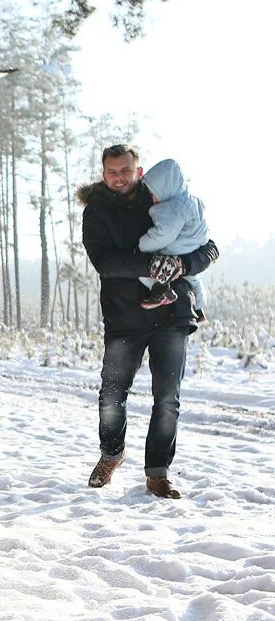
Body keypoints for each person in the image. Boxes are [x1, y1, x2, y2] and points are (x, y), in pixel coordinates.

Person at [78, 145, 219, 500]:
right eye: (113, 172)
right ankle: (111, 453)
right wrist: (151, 267)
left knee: (167, 398)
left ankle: (158, 473)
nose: (120, 177)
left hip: (172, 315)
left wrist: (183, 266)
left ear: (138, 171)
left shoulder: (162, 197)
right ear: (104, 174)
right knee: (112, 394)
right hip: (124, 316)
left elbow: (209, 247)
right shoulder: (97, 210)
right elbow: (105, 262)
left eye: (126, 170)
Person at [135, 159, 210, 318]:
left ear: (165, 189)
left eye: (154, 194)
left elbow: (163, 235)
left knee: (141, 267)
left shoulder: (173, 209)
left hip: (176, 248)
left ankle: (160, 289)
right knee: (193, 278)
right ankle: (200, 307)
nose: (153, 199)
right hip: (193, 244)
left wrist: (143, 244)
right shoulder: (191, 200)